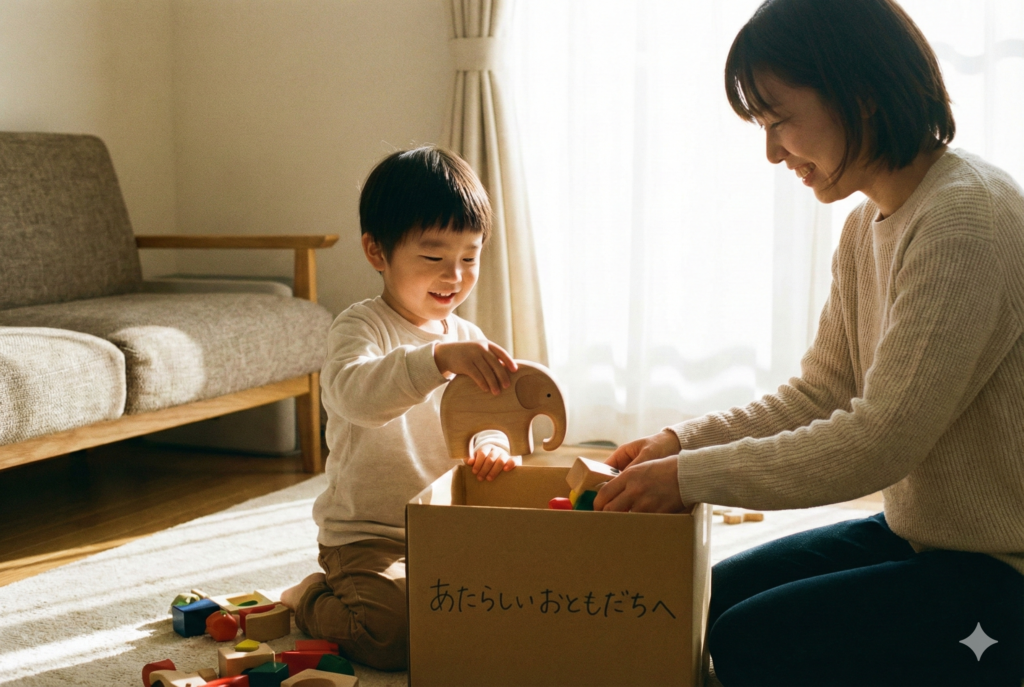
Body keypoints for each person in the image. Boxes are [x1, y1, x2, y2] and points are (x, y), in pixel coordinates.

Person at [592, 0, 1024, 684]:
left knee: (752, 641)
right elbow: (824, 392)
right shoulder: (866, 225)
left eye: (778, 121)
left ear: (861, 92)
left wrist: (689, 479)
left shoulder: (965, 217)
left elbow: (881, 439)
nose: (771, 152)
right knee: (704, 602)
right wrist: (682, 443)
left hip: (1002, 567)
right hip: (923, 536)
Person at [280, 146, 518, 671]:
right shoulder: (359, 327)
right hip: (367, 536)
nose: (455, 275)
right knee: (392, 635)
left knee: (509, 607)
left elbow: (486, 418)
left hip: (446, 532)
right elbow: (355, 397)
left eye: (470, 257)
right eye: (434, 258)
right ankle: (309, 596)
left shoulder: (467, 335)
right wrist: (437, 359)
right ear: (377, 251)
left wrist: (492, 445)